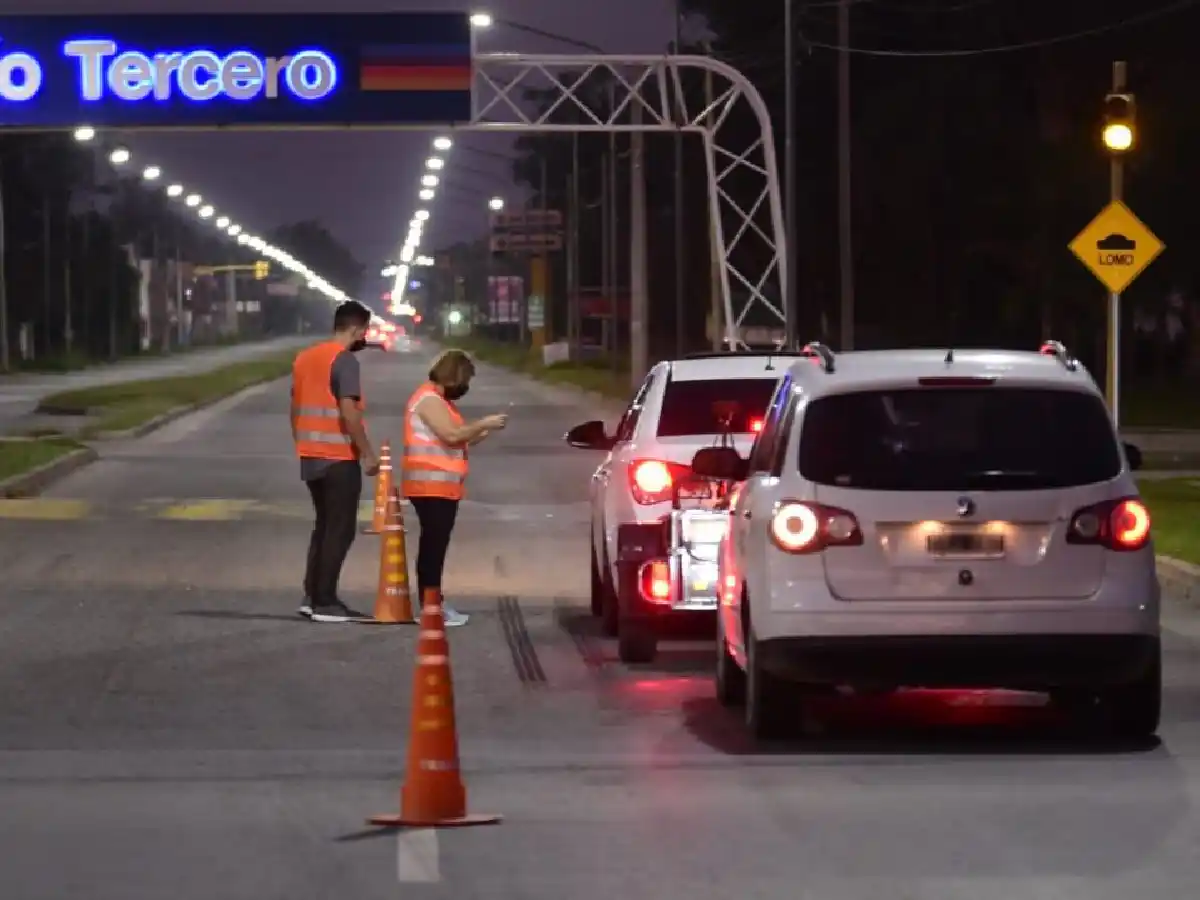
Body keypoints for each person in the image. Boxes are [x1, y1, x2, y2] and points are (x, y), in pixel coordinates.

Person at [400, 349, 509, 627]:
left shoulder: (439, 401)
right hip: (430, 485)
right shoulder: (428, 400)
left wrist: (480, 433)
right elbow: (450, 435)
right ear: (454, 376)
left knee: (435, 546)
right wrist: (483, 423)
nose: (465, 388)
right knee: (433, 548)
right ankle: (431, 606)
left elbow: (456, 439)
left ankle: (434, 602)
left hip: (439, 487)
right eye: (464, 381)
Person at [292, 300, 380, 623]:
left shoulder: (304, 358)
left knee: (324, 526)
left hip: (310, 455)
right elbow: (349, 412)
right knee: (340, 530)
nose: (364, 338)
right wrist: (367, 452)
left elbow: (295, 408)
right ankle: (325, 601)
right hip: (339, 457)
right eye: (364, 331)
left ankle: (312, 594)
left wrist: (302, 443)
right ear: (356, 329)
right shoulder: (344, 362)